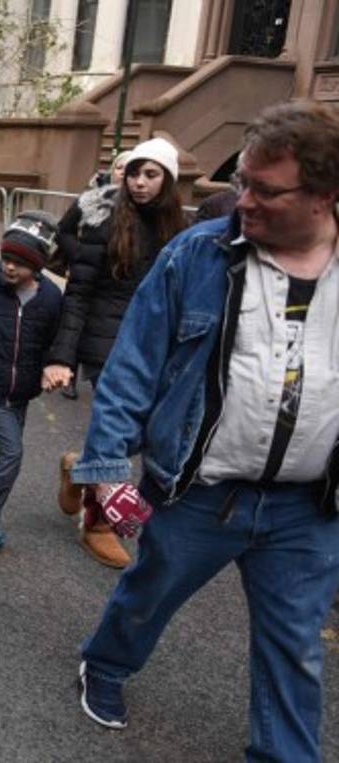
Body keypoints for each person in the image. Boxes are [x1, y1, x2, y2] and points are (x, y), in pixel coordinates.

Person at [70, 101, 339, 761]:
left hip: (308, 507)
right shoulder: (199, 254)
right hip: (198, 490)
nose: (240, 199)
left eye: (262, 189)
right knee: (149, 590)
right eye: (241, 180)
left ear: (323, 197)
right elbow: (134, 360)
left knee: (296, 647)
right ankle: (104, 664)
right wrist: (105, 467)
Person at [41, 137, 186, 568]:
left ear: (169, 181)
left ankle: (77, 466)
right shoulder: (104, 222)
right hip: (107, 342)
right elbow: (79, 294)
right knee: (117, 432)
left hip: (154, 344)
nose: (139, 183)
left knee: (146, 431)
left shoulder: (180, 234)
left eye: (151, 174)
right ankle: (97, 524)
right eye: (135, 173)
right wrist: (61, 356)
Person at [0, 212, 62, 558]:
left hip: (19, 395)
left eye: (20, 263)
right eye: (6, 259)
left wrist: (52, 366)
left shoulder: (51, 298)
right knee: (9, 455)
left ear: (37, 266)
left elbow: (53, 342)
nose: (8, 268)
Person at [53, 150, 130, 401]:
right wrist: (79, 254)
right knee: (75, 319)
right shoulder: (89, 201)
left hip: (116, 287)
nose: (125, 173)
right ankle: (69, 375)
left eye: (131, 168)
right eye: (120, 167)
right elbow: (63, 230)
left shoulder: (144, 212)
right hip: (85, 276)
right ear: (112, 171)